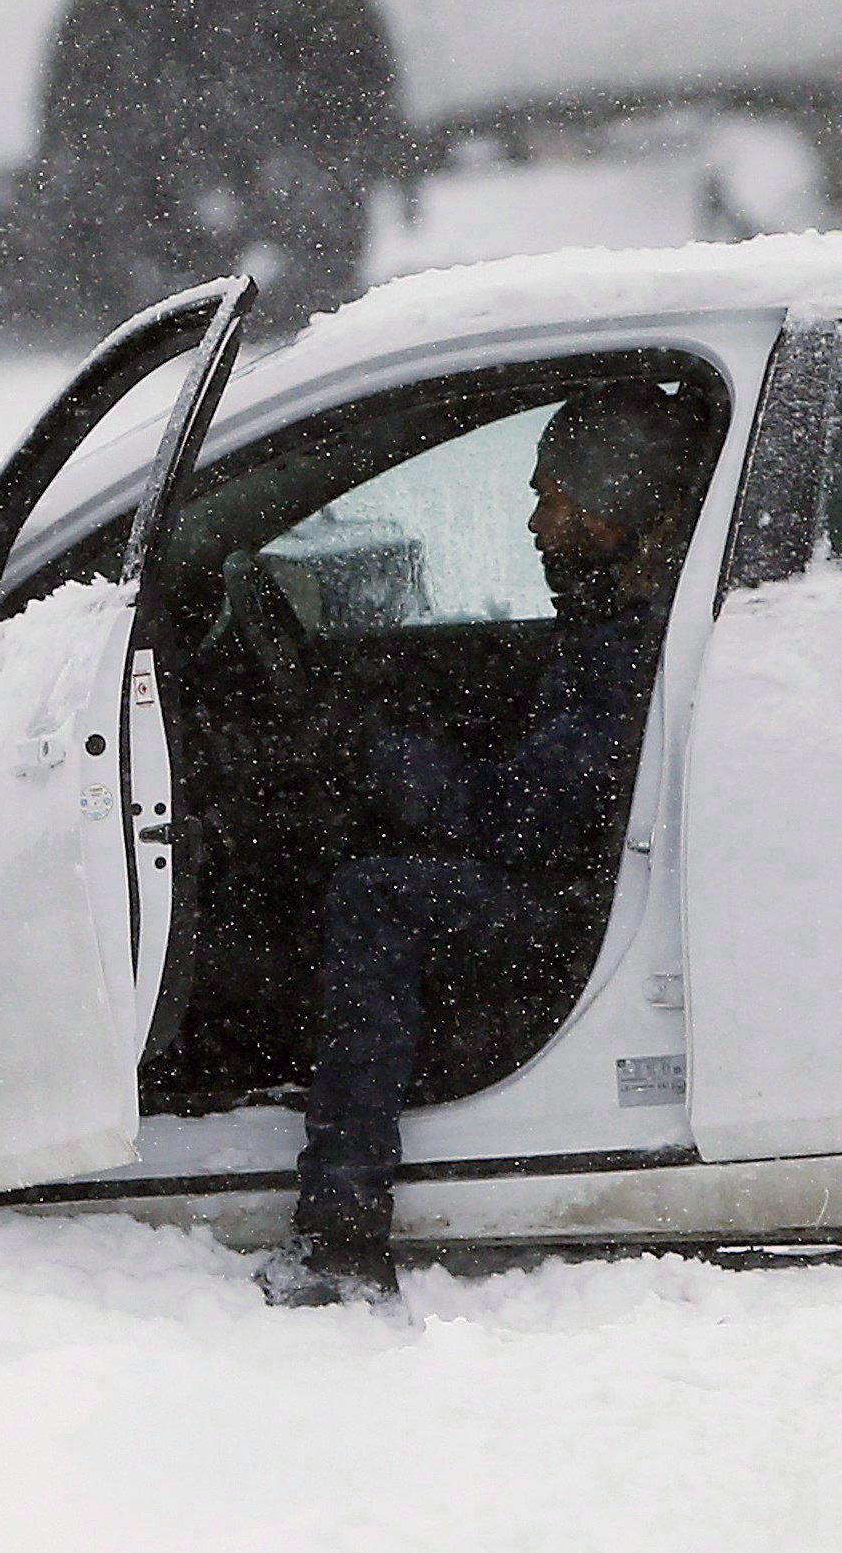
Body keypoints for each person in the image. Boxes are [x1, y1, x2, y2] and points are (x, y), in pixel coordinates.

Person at [260, 381, 714, 1309]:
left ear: (618, 505)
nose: (538, 523)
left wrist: (375, 752)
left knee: (375, 895)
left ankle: (342, 1227)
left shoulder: (642, 642)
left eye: (556, 495)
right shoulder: (616, 612)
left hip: (587, 905)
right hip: (581, 869)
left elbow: (520, 820)